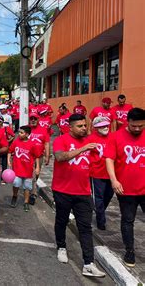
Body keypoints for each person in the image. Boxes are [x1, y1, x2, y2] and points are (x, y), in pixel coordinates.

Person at [52, 113, 105, 278]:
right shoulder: (61, 140)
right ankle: (61, 246)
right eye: (80, 126)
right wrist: (82, 148)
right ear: (71, 127)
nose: (83, 129)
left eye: (85, 126)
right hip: (62, 190)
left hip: (83, 192)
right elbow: (60, 157)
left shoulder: (90, 141)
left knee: (85, 227)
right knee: (62, 220)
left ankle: (88, 263)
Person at [105, 107, 145, 268]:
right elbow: (109, 159)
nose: (137, 129)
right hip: (125, 189)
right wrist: (114, 180)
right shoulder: (115, 137)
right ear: (127, 122)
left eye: (141, 126)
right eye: (134, 126)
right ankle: (129, 251)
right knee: (128, 220)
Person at [7, 126, 41, 212]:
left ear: (27, 134)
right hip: (17, 169)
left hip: (28, 171)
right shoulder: (16, 142)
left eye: (21, 132)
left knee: (27, 187)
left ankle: (26, 202)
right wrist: (8, 161)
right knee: (16, 184)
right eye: (19, 132)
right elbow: (10, 151)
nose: (19, 134)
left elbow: (37, 156)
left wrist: (37, 167)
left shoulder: (32, 144)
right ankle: (14, 196)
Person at [88, 116, 113, 231]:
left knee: (108, 195)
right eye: (101, 126)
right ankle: (101, 221)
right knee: (98, 197)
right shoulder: (90, 139)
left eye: (106, 125)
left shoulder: (113, 137)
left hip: (111, 173)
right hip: (97, 173)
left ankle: (100, 210)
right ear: (96, 128)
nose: (105, 127)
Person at [28, 112, 51, 205]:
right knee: (32, 174)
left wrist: (47, 156)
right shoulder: (26, 129)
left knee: (36, 174)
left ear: (38, 120)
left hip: (39, 156)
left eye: (35, 118)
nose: (33, 120)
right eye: (31, 118)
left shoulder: (44, 130)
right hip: (28, 156)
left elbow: (46, 143)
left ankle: (30, 188)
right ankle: (33, 194)